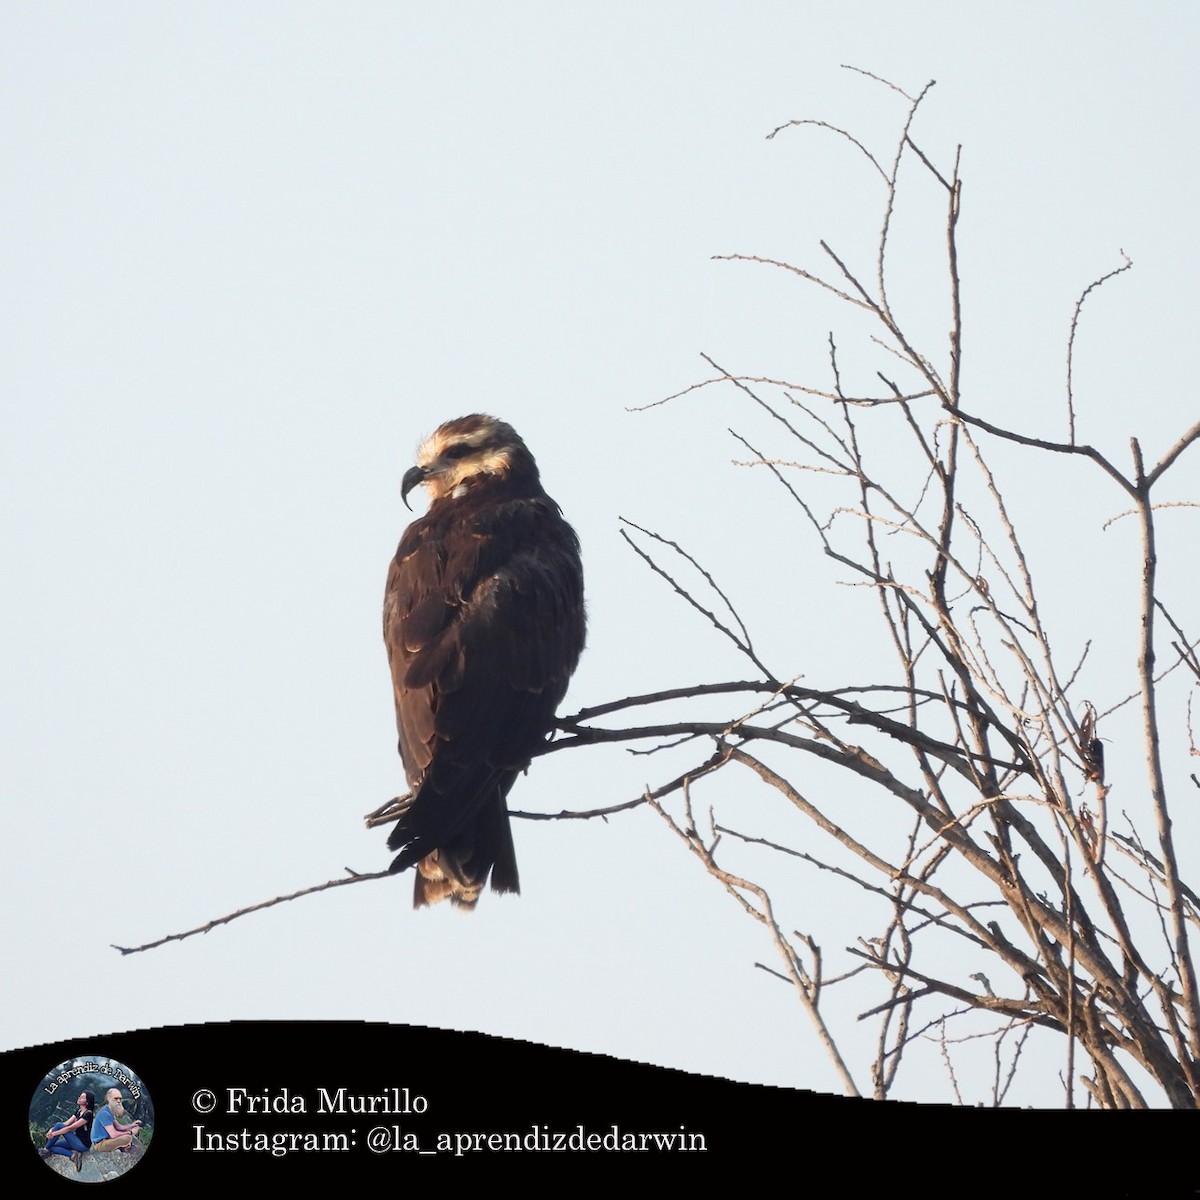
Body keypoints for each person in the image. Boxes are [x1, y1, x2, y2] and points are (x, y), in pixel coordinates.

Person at [43, 1090, 94, 1171]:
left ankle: (44, 1150)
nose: (79, 1098)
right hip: (75, 1140)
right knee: (51, 1145)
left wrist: (54, 1134)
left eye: (82, 1097)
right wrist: (51, 1130)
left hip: (83, 1145)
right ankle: (72, 1155)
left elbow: (69, 1128)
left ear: (87, 1102)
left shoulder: (88, 1114)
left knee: (58, 1125)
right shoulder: (79, 1111)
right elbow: (66, 1123)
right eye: (80, 1096)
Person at [90, 1087, 142, 1156]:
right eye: (116, 1098)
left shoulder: (109, 1110)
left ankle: (122, 1147)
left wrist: (132, 1125)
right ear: (108, 1099)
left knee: (126, 1134)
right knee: (127, 1138)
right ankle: (123, 1149)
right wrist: (131, 1132)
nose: (118, 1101)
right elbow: (113, 1134)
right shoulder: (104, 1114)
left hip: (107, 1139)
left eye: (120, 1099)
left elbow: (119, 1127)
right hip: (100, 1144)